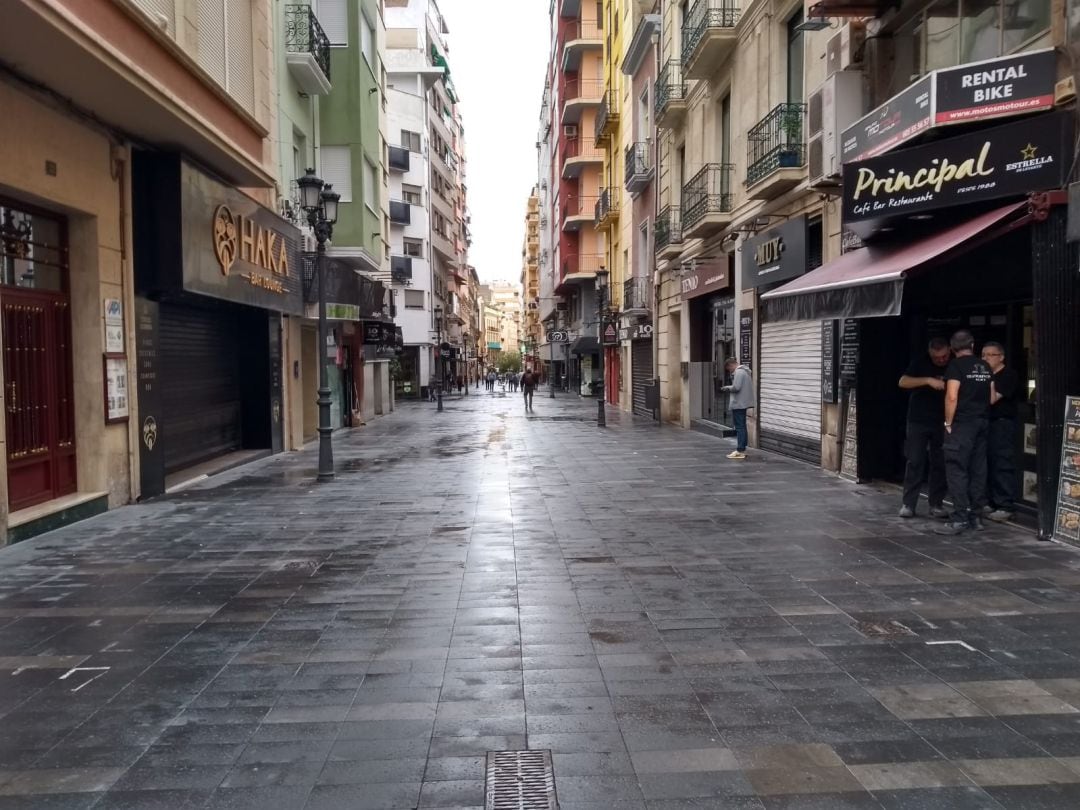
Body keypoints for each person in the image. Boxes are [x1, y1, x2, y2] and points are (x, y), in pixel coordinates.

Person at [936, 330, 993, 536]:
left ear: (952, 349)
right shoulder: (986, 366)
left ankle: (960, 518)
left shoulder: (955, 366)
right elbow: (992, 396)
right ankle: (975, 517)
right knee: (978, 469)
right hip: (982, 422)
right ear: (973, 345)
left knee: (956, 469)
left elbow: (951, 396)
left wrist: (948, 422)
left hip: (962, 425)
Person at [898, 338, 951, 519]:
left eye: (944, 356)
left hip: (943, 420)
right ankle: (908, 504)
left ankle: (936, 503)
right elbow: (903, 381)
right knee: (915, 460)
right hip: (918, 420)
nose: (942, 360)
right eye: (937, 358)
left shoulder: (954, 364)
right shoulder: (920, 362)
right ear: (930, 354)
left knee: (940, 462)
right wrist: (928, 380)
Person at [982, 341, 1018, 522]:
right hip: (985, 423)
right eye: (983, 355)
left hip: (1002, 424)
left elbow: (992, 398)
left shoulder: (1008, 375)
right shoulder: (983, 374)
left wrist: (988, 378)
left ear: (1001, 357)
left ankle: (1005, 504)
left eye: (990, 355)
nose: (986, 358)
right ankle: (989, 501)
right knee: (985, 462)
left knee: (1002, 463)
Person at [720, 358, 755, 460]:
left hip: (739, 403)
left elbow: (736, 387)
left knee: (740, 427)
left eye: (729, 369)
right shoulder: (744, 372)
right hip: (742, 403)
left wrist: (727, 387)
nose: (730, 371)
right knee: (742, 427)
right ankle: (742, 449)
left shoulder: (739, 372)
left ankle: (740, 450)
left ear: (731, 365)